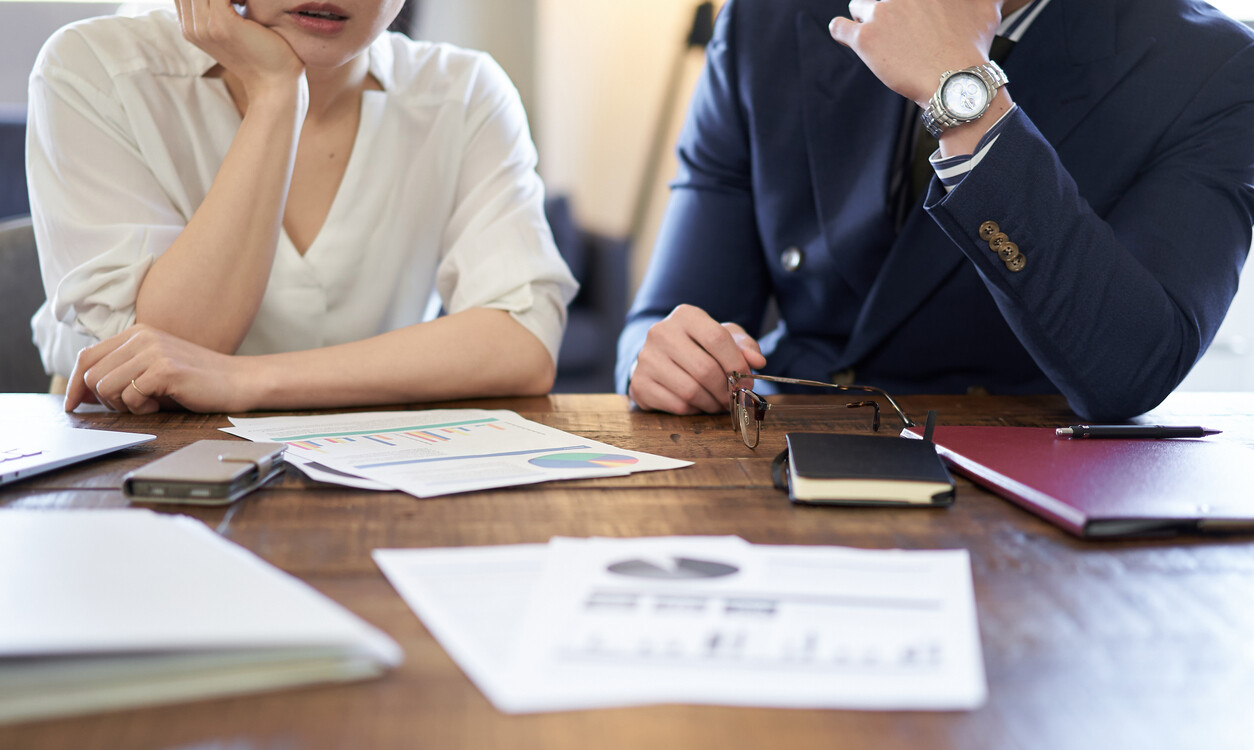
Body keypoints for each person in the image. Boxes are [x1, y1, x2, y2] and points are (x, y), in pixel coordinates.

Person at [617, 0, 1254, 422]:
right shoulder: (768, 19)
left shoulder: (1214, 66)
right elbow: (665, 316)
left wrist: (964, 91)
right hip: (784, 454)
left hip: (1024, 499)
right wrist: (663, 362)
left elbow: (1133, 370)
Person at [28, 0, 577, 414]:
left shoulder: (465, 91)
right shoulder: (94, 69)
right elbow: (161, 360)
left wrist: (245, 380)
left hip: (369, 464)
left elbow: (521, 341)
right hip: (126, 458)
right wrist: (276, 93)